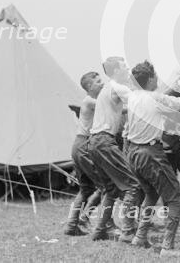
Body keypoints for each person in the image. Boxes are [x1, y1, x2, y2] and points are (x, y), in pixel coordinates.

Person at [120, 60, 180, 258]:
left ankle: (140, 236)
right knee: (176, 198)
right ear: (150, 79)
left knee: (151, 194)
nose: (158, 79)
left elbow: (160, 91)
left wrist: (176, 74)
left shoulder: (133, 96)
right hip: (150, 153)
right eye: (156, 76)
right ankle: (167, 248)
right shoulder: (156, 98)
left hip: (132, 153)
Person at [87, 57, 141, 243]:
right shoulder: (119, 86)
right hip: (105, 141)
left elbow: (121, 109)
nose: (128, 68)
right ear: (116, 70)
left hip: (94, 142)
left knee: (110, 190)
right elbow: (141, 101)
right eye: (125, 66)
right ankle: (127, 231)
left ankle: (100, 230)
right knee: (133, 185)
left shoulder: (107, 89)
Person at [64, 71, 105, 236]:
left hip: (79, 145)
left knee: (86, 189)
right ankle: (85, 216)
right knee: (105, 186)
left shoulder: (90, 101)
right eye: (98, 81)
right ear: (89, 86)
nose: (102, 83)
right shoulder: (90, 101)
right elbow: (112, 108)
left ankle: (71, 225)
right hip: (85, 145)